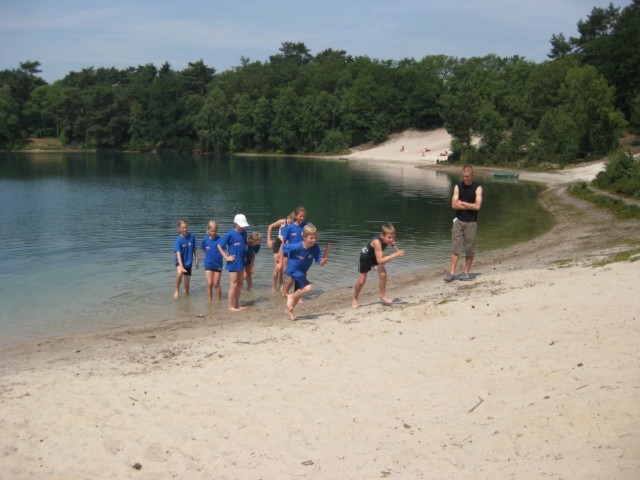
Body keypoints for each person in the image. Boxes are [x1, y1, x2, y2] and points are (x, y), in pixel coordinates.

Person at [443, 165, 483, 282]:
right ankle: (452, 273)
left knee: (469, 248)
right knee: (455, 246)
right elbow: (453, 205)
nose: (465, 178)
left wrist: (463, 203)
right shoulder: (458, 187)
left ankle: (466, 272)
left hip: (471, 222)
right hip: (458, 221)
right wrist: (470, 205)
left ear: (472, 176)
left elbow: (478, 206)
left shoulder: (478, 188)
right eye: (463, 176)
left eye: (467, 177)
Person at [352, 223, 405, 309]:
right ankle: (355, 298)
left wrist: (394, 245)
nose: (391, 239)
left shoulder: (387, 240)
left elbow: (390, 245)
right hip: (366, 257)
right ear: (382, 235)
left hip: (376, 256)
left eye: (393, 237)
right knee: (362, 281)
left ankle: (382, 296)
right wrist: (395, 254)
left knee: (383, 274)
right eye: (389, 237)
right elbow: (380, 260)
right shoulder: (377, 242)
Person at [282, 223, 327, 321]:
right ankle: (291, 297)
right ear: (305, 237)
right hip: (294, 270)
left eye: (315, 238)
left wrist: (322, 262)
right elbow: (284, 247)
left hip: (302, 272)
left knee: (299, 292)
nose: (314, 240)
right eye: (311, 238)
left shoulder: (315, 247)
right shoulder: (297, 246)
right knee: (308, 287)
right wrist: (280, 257)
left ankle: (289, 310)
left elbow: (319, 260)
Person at [218, 214, 249, 311]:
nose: (242, 228)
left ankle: (237, 305)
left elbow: (244, 246)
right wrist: (227, 257)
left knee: (240, 284)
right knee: (234, 284)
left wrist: (245, 256)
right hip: (233, 263)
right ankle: (230, 306)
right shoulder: (230, 234)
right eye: (241, 226)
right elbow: (219, 246)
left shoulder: (244, 233)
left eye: (243, 226)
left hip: (241, 262)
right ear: (235, 224)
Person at [279, 206, 308, 297]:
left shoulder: (306, 227)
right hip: (293, 254)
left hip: (304, 253)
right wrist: (280, 255)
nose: (302, 218)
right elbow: (284, 242)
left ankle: (295, 294)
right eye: (300, 216)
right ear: (295, 216)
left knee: (303, 274)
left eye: (303, 216)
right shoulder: (290, 228)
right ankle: (287, 292)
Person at [266, 212, 295, 292]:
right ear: (289, 217)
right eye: (292, 220)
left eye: (294, 220)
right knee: (278, 267)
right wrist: (268, 240)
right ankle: (273, 288)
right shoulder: (283, 222)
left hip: (286, 246)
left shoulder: (294, 226)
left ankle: (281, 287)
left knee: (284, 269)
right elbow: (270, 226)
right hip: (278, 244)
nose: (292, 222)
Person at [173, 219, 198, 299]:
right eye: (183, 228)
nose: (185, 229)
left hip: (188, 263)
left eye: (186, 227)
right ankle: (177, 290)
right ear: (179, 229)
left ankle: (186, 300)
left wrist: (196, 260)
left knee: (187, 288)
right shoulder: (178, 240)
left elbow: (195, 249)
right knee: (180, 273)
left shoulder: (192, 237)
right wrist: (181, 266)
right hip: (180, 261)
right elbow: (178, 254)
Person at [200, 220, 224, 303]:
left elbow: (223, 251)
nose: (213, 233)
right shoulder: (205, 240)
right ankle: (209, 301)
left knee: (216, 283)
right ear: (208, 230)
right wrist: (207, 258)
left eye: (215, 231)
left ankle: (218, 301)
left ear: (217, 230)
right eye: (211, 231)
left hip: (218, 264)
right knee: (210, 283)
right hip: (208, 265)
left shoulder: (220, 240)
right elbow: (203, 251)